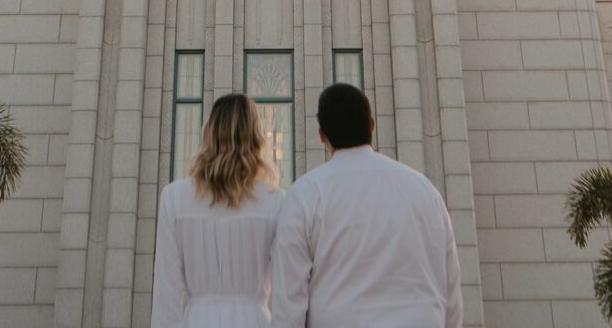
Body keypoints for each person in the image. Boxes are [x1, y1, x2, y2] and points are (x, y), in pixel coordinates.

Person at [269, 83, 463, 328]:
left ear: (322, 135)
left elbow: (288, 307)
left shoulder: (304, 195)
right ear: (372, 124)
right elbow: (451, 295)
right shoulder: (426, 192)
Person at [153, 92, 287, 327]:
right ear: (256, 138)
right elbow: (287, 292)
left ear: (209, 133)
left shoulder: (174, 198)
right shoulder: (276, 201)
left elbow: (167, 296)